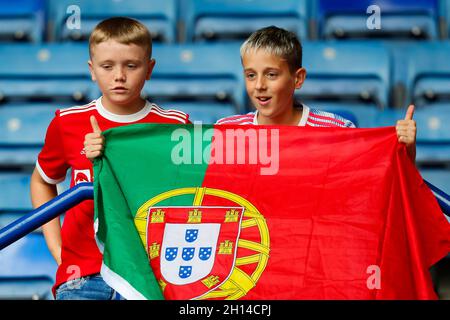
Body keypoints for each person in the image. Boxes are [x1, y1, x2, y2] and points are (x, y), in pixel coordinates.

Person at [30, 17, 190, 300]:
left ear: (149, 69)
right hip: (83, 277)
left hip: (148, 277)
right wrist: (58, 251)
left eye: (131, 65)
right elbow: (42, 181)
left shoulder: (175, 127)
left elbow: (190, 196)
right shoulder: (68, 123)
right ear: (92, 71)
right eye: (107, 66)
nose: (119, 76)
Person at [216, 26, 417, 161]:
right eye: (251, 75)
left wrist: (405, 151)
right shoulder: (225, 132)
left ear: (298, 79)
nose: (259, 85)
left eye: (271, 74)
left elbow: (371, 185)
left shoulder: (338, 131)